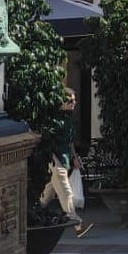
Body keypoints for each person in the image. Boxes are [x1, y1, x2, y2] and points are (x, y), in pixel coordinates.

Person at [39, 87, 89, 236]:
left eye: (74, 100)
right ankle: (77, 224)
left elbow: (70, 142)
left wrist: (74, 157)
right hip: (56, 159)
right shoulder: (54, 120)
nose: (74, 103)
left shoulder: (68, 119)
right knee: (66, 191)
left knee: (49, 191)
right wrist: (54, 159)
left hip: (64, 159)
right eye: (71, 100)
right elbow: (49, 141)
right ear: (62, 101)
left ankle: (32, 213)